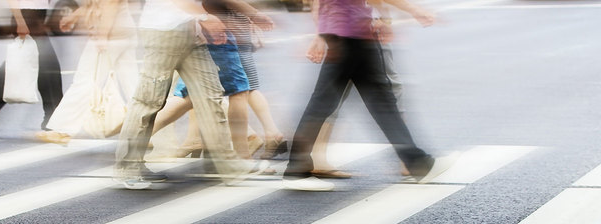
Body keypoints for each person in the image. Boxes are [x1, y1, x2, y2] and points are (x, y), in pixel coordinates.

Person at [282, 0, 454, 191]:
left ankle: (418, 163)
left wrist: (322, 33)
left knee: (379, 103)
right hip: (350, 36)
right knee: (329, 102)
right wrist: (414, 9)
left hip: (350, 33)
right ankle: (296, 168)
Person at [113, 0, 250, 188]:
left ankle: (229, 166)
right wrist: (204, 17)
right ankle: (127, 167)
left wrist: (198, 23)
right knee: (149, 101)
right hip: (163, 32)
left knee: (210, 96)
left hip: (190, 33)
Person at [37, 0, 137, 144]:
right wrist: (75, 16)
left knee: (85, 80)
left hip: (111, 32)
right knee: (132, 84)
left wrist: (103, 35)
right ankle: (153, 130)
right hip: (122, 29)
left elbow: (110, 3)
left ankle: (61, 129)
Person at [0, 0, 63, 138]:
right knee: (49, 68)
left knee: (21, 69)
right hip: (26, 17)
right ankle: (55, 118)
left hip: (35, 15)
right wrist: (20, 21)